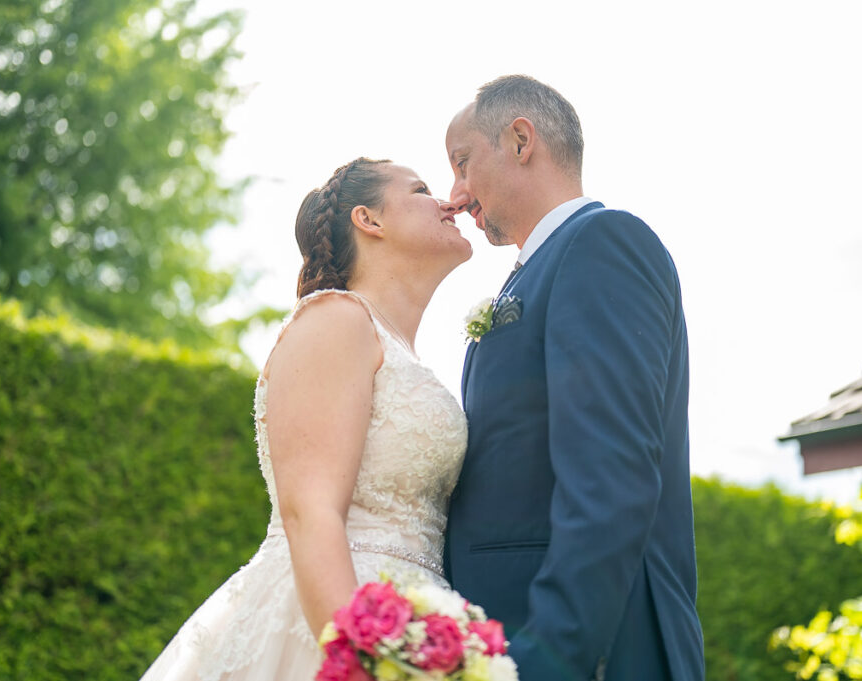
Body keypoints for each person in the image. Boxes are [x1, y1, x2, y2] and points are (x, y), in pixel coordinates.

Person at [140, 158, 473, 681]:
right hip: (333, 614)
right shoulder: (337, 319)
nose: (449, 200)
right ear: (370, 220)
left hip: (422, 623)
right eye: (422, 189)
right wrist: (359, 657)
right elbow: (310, 512)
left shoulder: (403, 352)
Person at [442, 75, 705, 681]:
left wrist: (552, 657)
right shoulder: (532, 274)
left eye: (462, 164)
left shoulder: (603, 243)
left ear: (520, 140)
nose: (455, 195)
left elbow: (610, 476)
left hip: (590, 650)